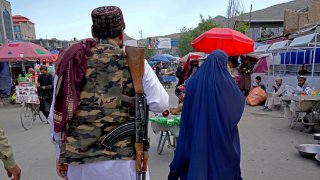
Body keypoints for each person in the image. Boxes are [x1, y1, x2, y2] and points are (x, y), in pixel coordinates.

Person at [49, 6, 169, 180]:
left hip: (80, 162)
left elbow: (56, 114)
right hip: (124, 162)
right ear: (121, 34)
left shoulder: (72, 63)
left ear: (93, 32)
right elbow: (161, 104)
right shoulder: (135, 61)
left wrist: (59, 152)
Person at [168, 50, 245, 180]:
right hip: (221, 134)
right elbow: (238, 104)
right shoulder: (227, 84)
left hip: (197, 130)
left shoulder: (193, 81)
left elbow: (187, 105)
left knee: (196, 158)